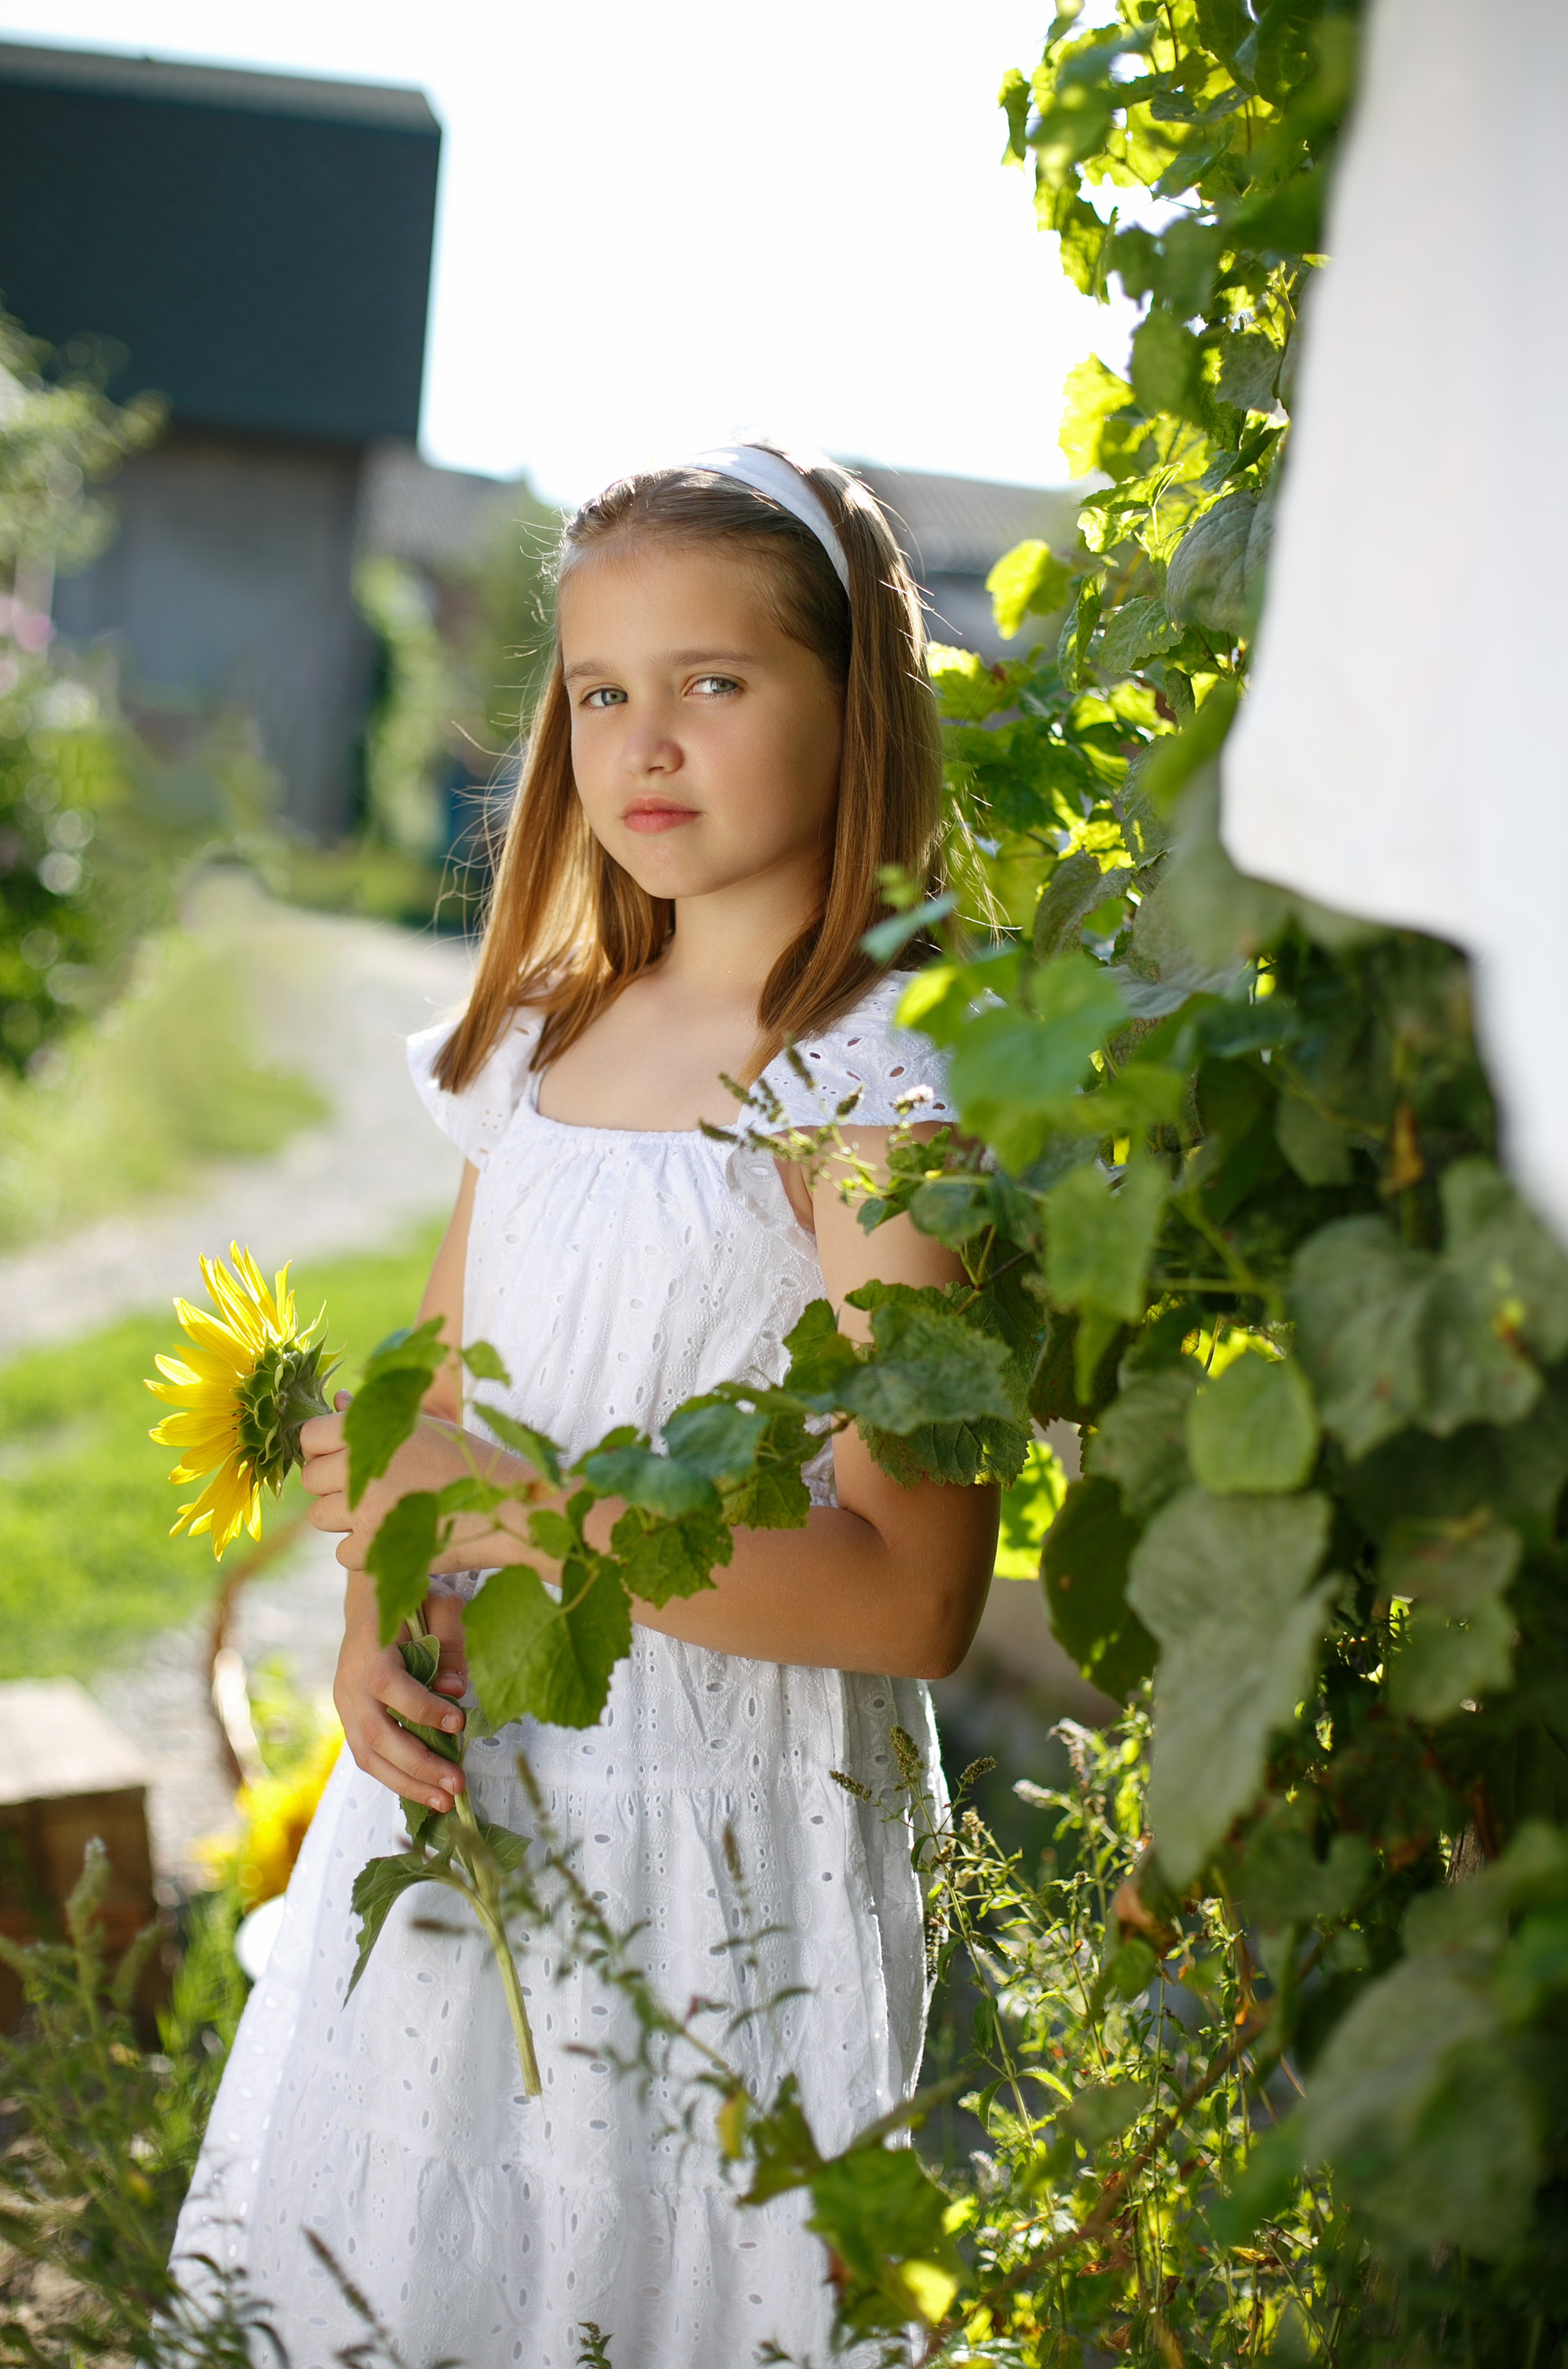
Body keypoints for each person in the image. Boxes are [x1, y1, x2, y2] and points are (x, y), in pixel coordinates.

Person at [173, 447, 999, 2367]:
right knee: (418, 2253)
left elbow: (910, 1596)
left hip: (716, 1857)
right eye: (603, 689)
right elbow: (440, 1413)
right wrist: (388, 1611)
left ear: (852, 698)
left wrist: (514, 1514)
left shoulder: (875, 1088)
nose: (649, 738)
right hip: (485, 1807)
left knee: (654, 2275)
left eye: (714, 681)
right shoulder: (541, 1046)